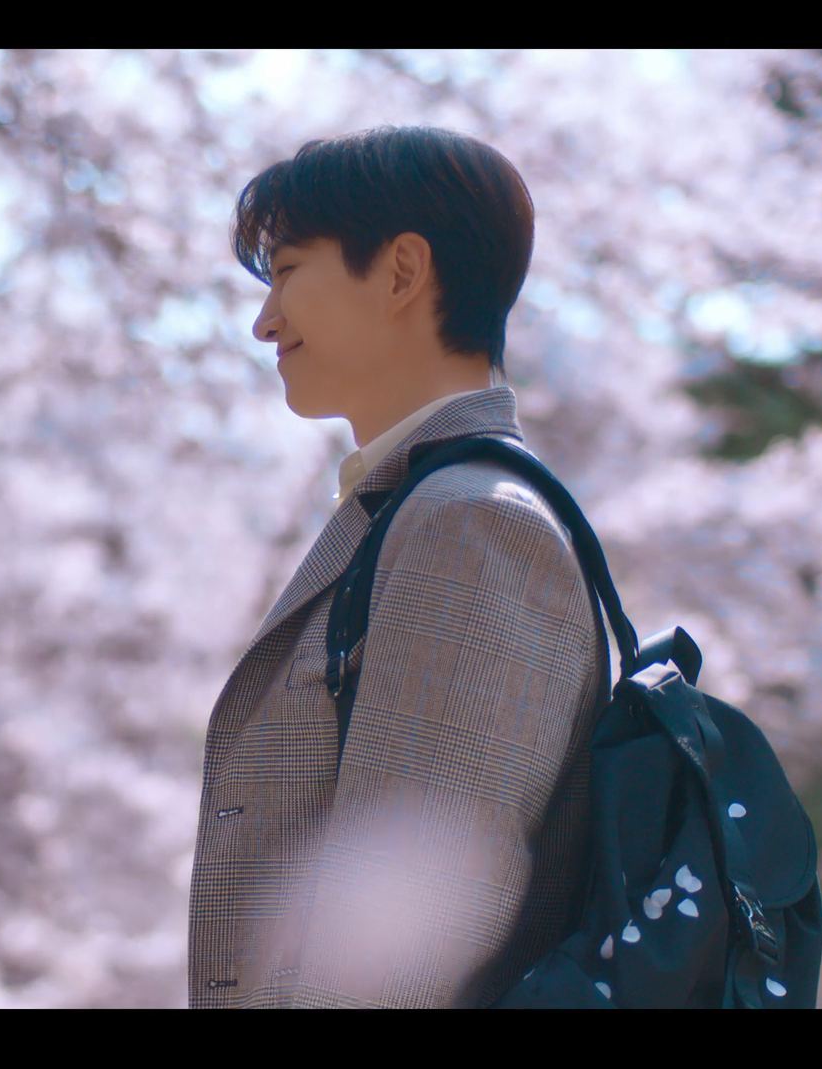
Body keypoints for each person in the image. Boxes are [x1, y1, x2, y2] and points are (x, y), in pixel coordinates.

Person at [188, 125, 608, 1008]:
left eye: (289, 271)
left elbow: (408, 944)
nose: (264, 320)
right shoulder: (419, 510)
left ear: (402, 272)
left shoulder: (473, 525)